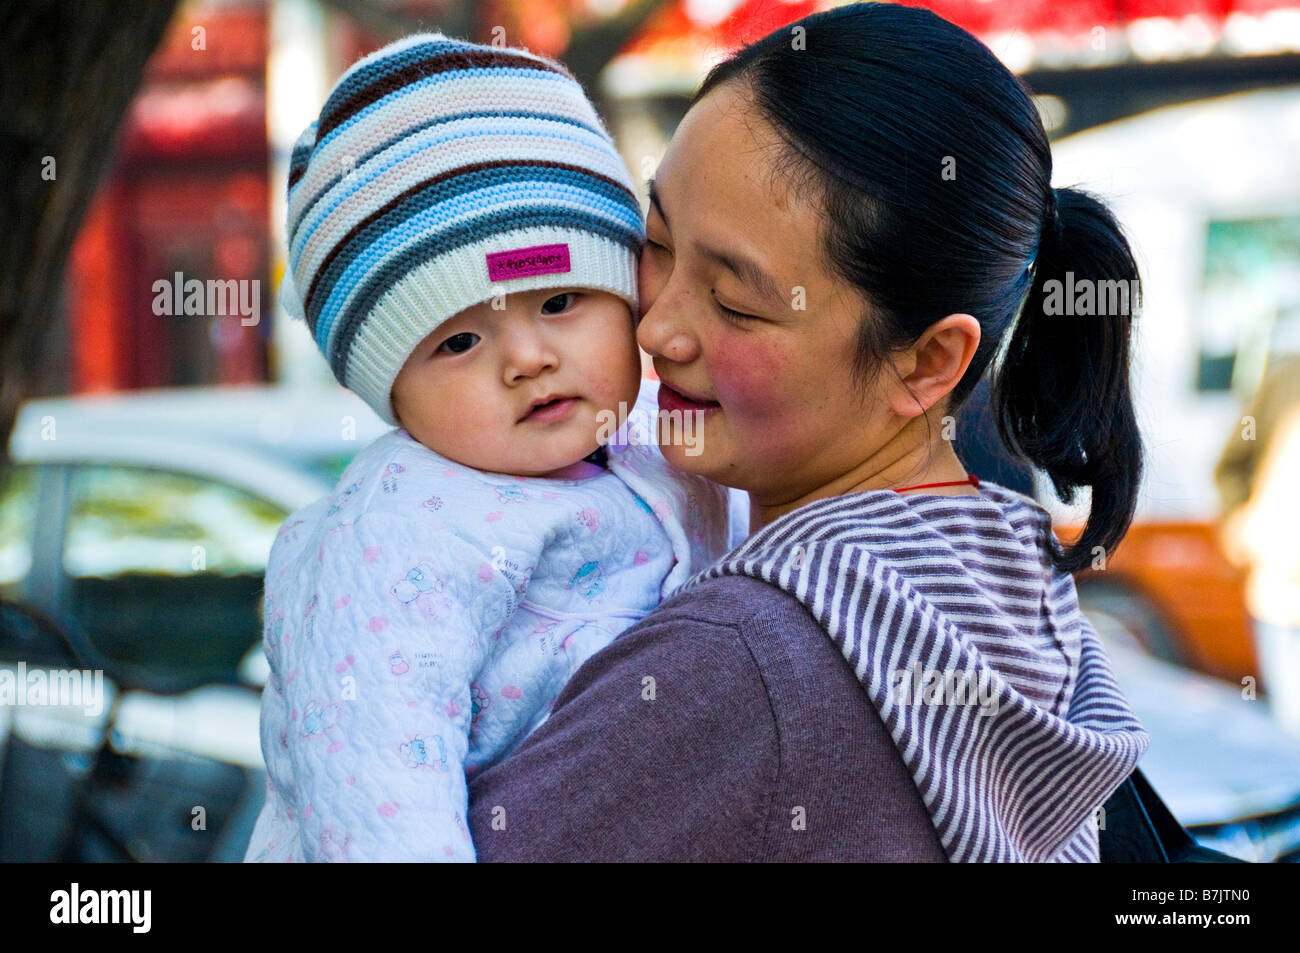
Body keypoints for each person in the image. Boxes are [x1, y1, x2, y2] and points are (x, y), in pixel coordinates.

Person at [467, 3, 1150, 862]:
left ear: (929, 362)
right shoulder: (1013, 587)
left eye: (737, 302)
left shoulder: (741, 658)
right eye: (659, 241)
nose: (659, 330)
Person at [243, 33, 730, 862]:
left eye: (562, 298)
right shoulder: (400, 528)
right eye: (460, 342)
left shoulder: (664, 438)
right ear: (387, 386)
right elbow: (373, 779)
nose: (527, 358)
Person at [1215, 351, 1300, 737]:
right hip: (1283, 596)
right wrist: (1241, 524)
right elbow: (1232, 465)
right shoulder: (1286, 380)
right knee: (1292, 726)